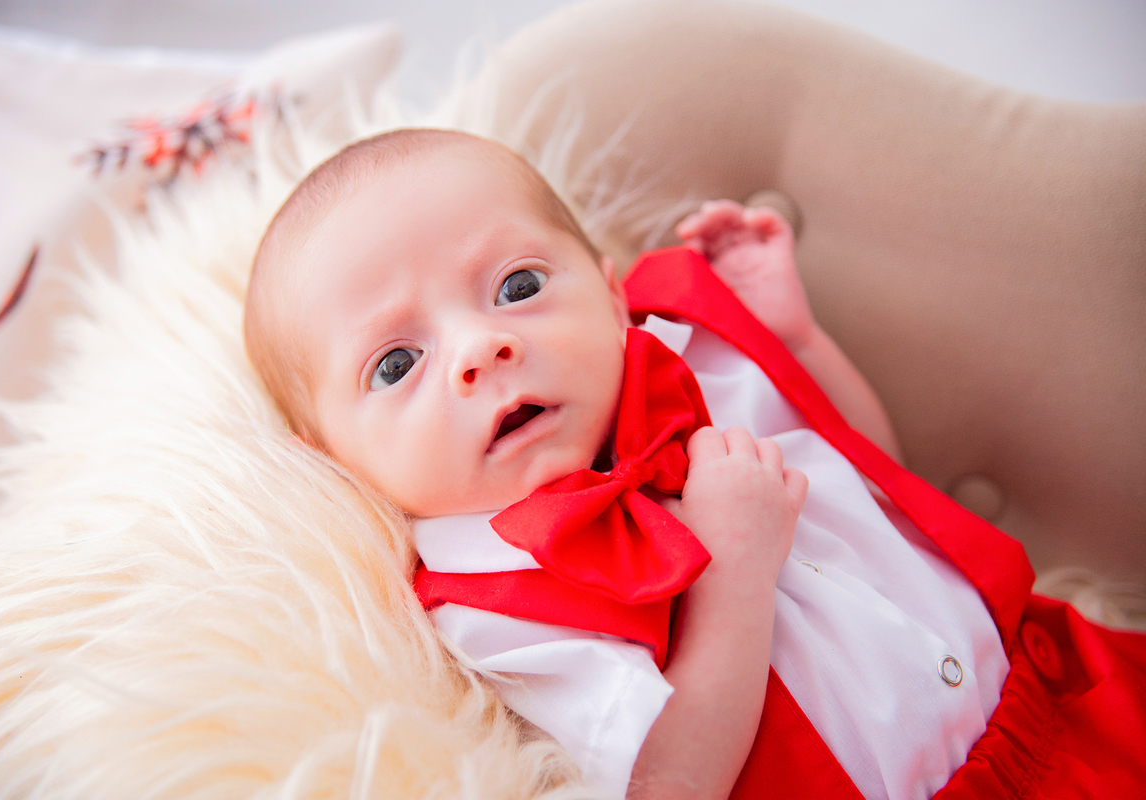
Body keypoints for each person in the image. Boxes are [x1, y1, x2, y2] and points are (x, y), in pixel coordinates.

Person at [243, 128, 1146, 800]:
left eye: (518, 287)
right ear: (332, 459)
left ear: (610, 295)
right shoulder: (492, 601)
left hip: (1065, 695)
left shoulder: (698, 362)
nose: (481, 348)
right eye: (396, 364)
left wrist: (796, 344)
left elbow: (877, 484)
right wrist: (734, 570)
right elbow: (670, 783)